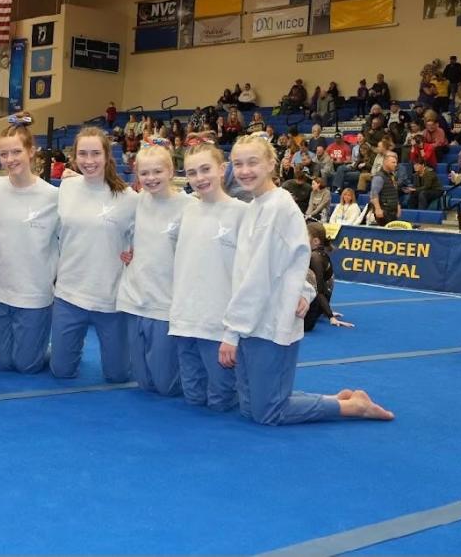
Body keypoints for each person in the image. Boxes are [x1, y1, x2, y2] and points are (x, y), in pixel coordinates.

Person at [218, 134, 394, 425]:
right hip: (256, 320)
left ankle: (353, 408)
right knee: (250, 408)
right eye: (238, 164)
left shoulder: (277, 207)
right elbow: (295, 257)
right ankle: (336, 400)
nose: (245, 170)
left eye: (253, 162)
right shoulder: (256, 205)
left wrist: (231, 332)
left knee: (267, 413)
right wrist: (303, 289)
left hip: (269, 322)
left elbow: (258, 277)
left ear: (272, 163)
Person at [51, 127, 138, 383]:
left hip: (109, 298)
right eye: (83, 154)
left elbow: (147, 234)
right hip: (69, 293)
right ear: (74, 156)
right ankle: (56, 348)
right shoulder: (66, 188)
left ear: (107, 155)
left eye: (95, 154)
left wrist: (134, 252)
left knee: (118, 375)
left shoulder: (128, 198)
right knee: (61, 371)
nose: (89, 161)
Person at [169, 143, 243, 411]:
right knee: (193, 399)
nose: (199, 178)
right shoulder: (186, 211)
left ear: (222, 169)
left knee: (221, 403)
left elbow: (262, 265)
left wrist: (304, 290)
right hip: (185, 321)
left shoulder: (241, 213)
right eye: (192, 172)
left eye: (205, 169)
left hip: (218, 325)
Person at [0, 116, 59, 374]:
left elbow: (78, 231)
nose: (10, 159)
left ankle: (49, 347)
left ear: (31, 151)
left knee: (27, 366)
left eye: (16, 151)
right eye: (4, 154)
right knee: (4, 364)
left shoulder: (53, 196)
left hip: (34, 293)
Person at [117, 144, 192, 396]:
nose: (150, 178)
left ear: (171, 170)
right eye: (144, 173)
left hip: (164, 304)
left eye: (157, 171)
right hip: (133, 298)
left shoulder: (189, 207)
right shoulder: (135, 203)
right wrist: (126, 249)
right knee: (144, 384)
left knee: (166, 386)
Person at [305, 222, 353, 332]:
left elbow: (320, 290)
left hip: (311, 312)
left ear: (315, 241)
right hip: (318, 307)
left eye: (304, 235)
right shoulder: (321, 254)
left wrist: (330, 316)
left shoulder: (315, 257)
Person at [369, 151, 400, 226]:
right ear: (386, 162)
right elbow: (374, 194)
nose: (395, 165)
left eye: (396, 163)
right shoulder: (379, 177)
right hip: (383, 212)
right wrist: (378, 209)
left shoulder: (392, 176)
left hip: (392, 210)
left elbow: (394, 192)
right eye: (393, 162)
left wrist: (398, 206)